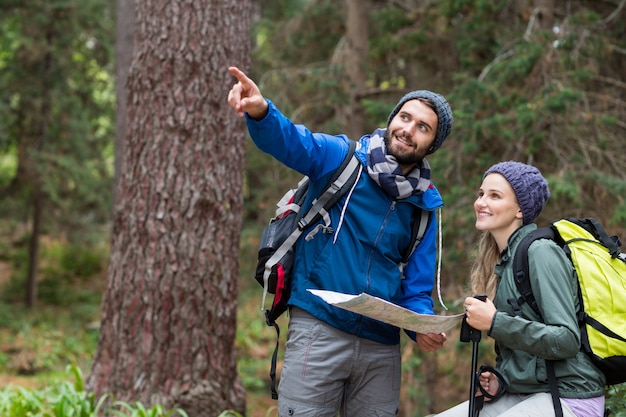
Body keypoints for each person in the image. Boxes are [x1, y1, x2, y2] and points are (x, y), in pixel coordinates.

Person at [227, 66, 453, 416]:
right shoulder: (344, 159)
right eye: (405, 117)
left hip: (381, 348)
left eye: (423, 127)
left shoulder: (424, 207)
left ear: (432, 144)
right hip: (318, 327)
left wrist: (422, 327)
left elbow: (417, 290)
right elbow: (294, 142)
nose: (408, 130)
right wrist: (261, 112)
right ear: (393, 118)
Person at [434, 161, 606, 417]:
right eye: (481, 194)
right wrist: (500, 381)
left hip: (571, 398)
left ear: (519, 210)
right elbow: (529, 352)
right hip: (528, 394)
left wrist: (495, 322)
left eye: (495, 196)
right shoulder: (502, 261)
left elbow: (566, 340)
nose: (481, 202)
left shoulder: (540, 252)